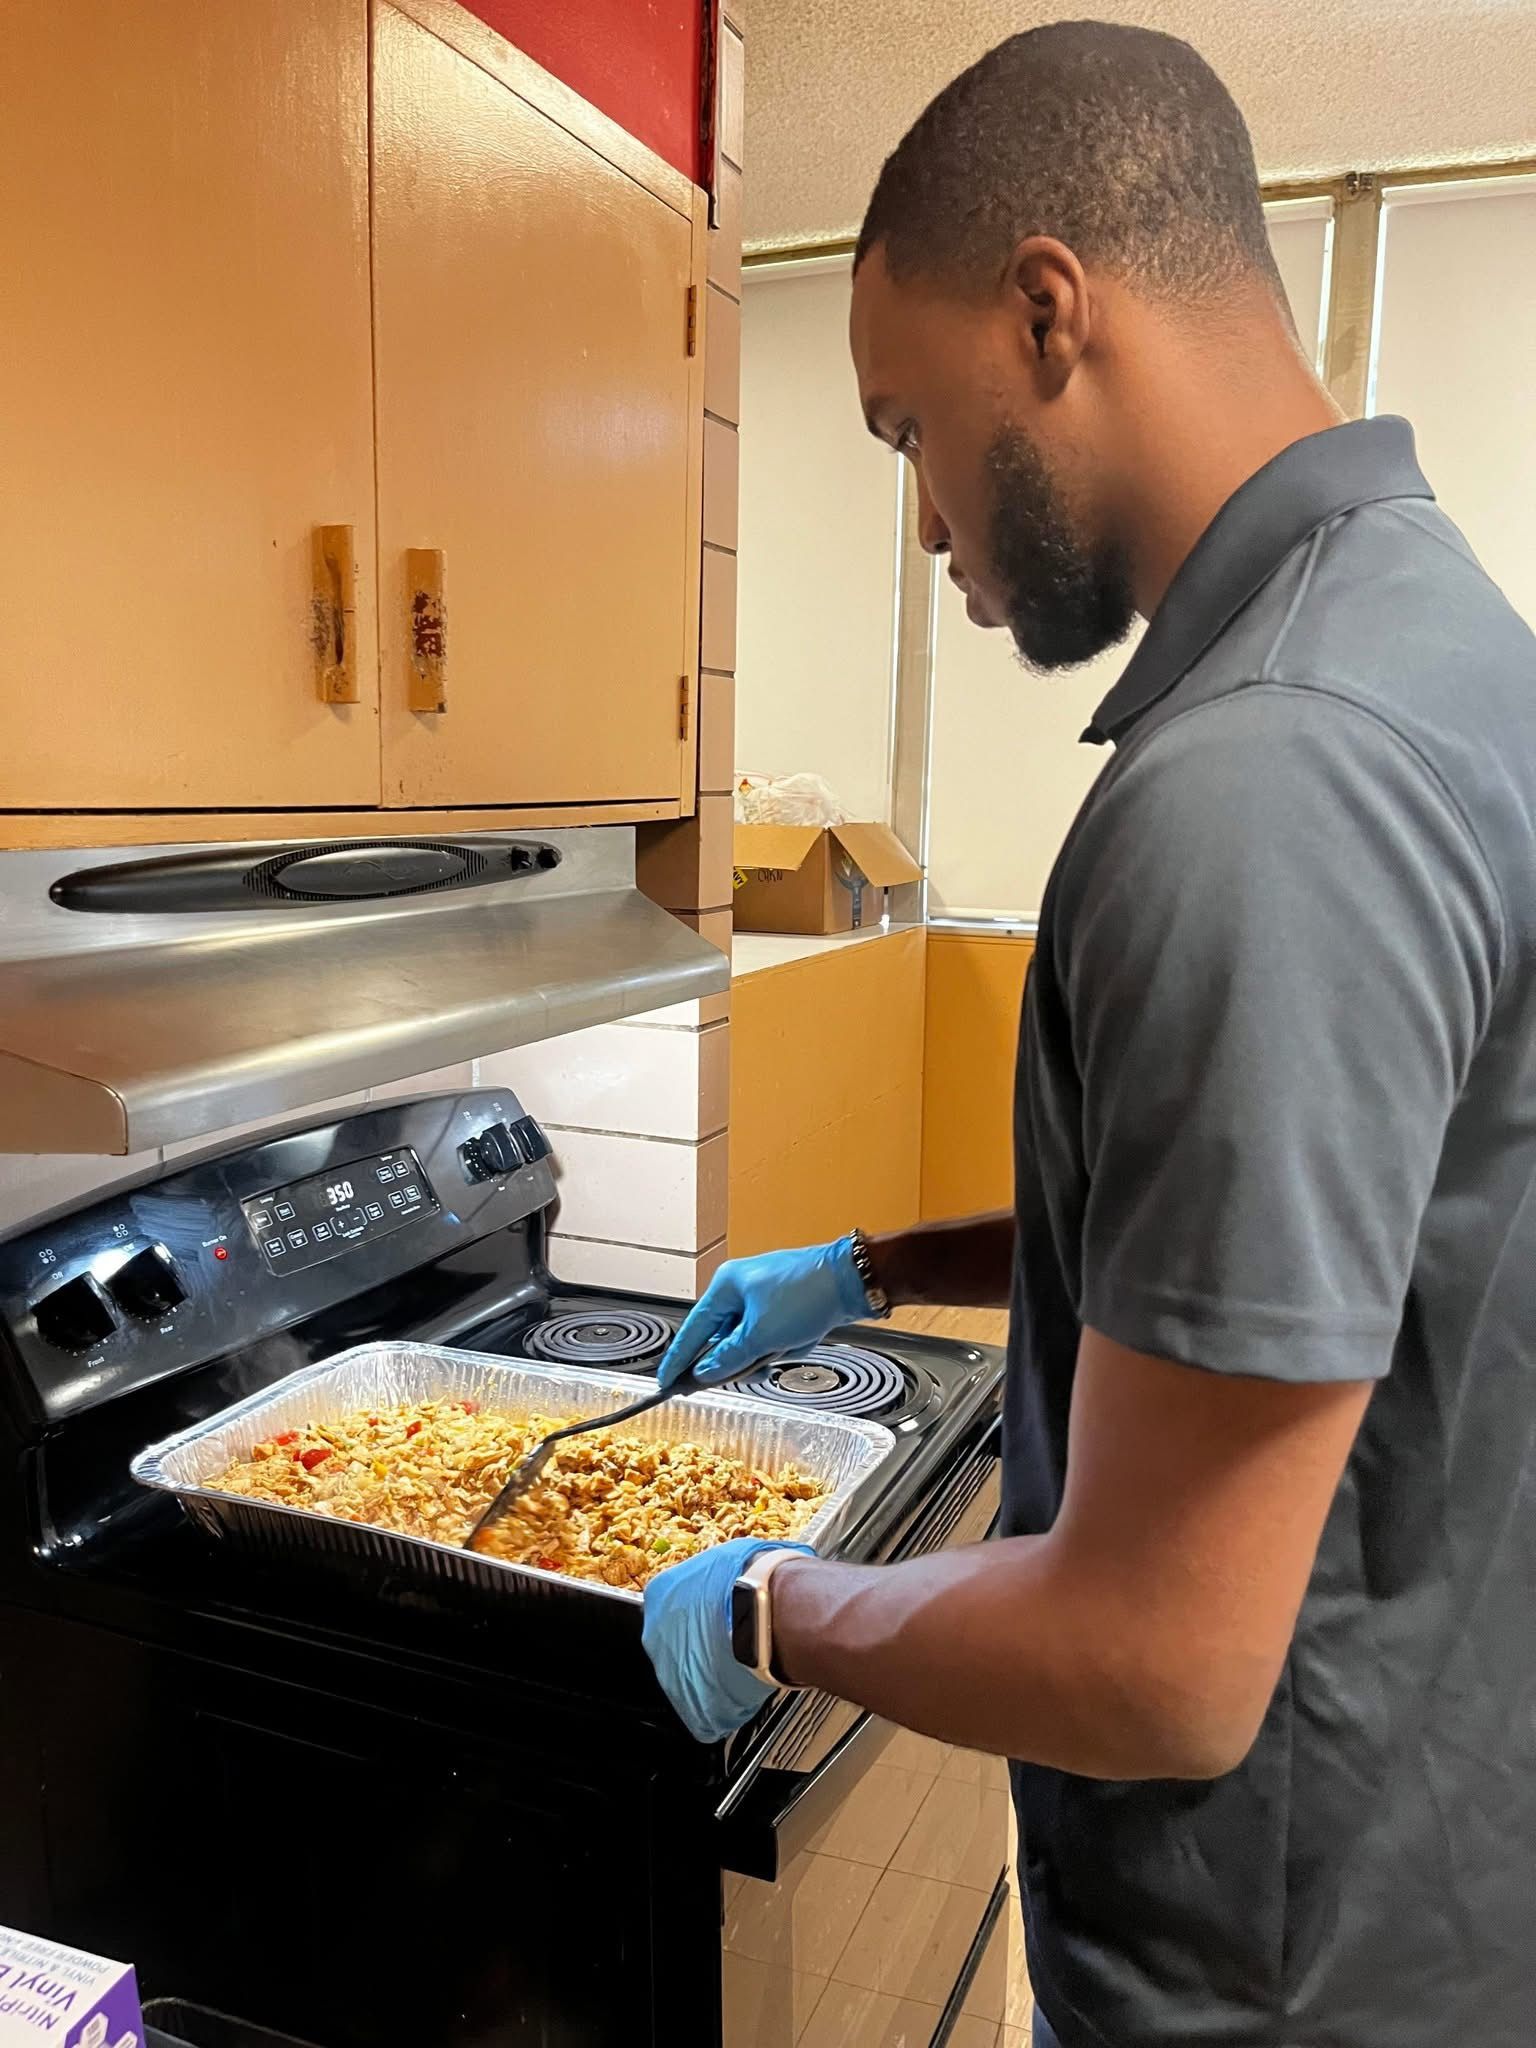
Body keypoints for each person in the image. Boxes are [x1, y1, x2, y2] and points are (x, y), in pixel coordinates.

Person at [642, 22, 1536, 2048]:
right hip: (1421, 1879)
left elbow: (1155, 1655)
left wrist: (781, 1609)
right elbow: (1272, 1238)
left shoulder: (1272, 783)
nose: (928, 520)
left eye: (902, 430)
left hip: (1283, 1975)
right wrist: (877, 1271)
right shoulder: (1429, 640)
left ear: (1045, 312)